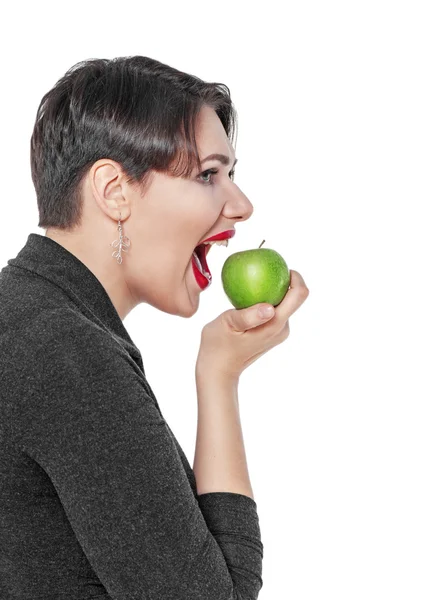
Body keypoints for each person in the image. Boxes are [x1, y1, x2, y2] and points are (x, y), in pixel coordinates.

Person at [0, 55, 309, 599]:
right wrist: (219, 376)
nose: (242, 205)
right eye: (208, 175)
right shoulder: (67, 354)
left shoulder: (24, 315)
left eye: (231, 175)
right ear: (114, 190)